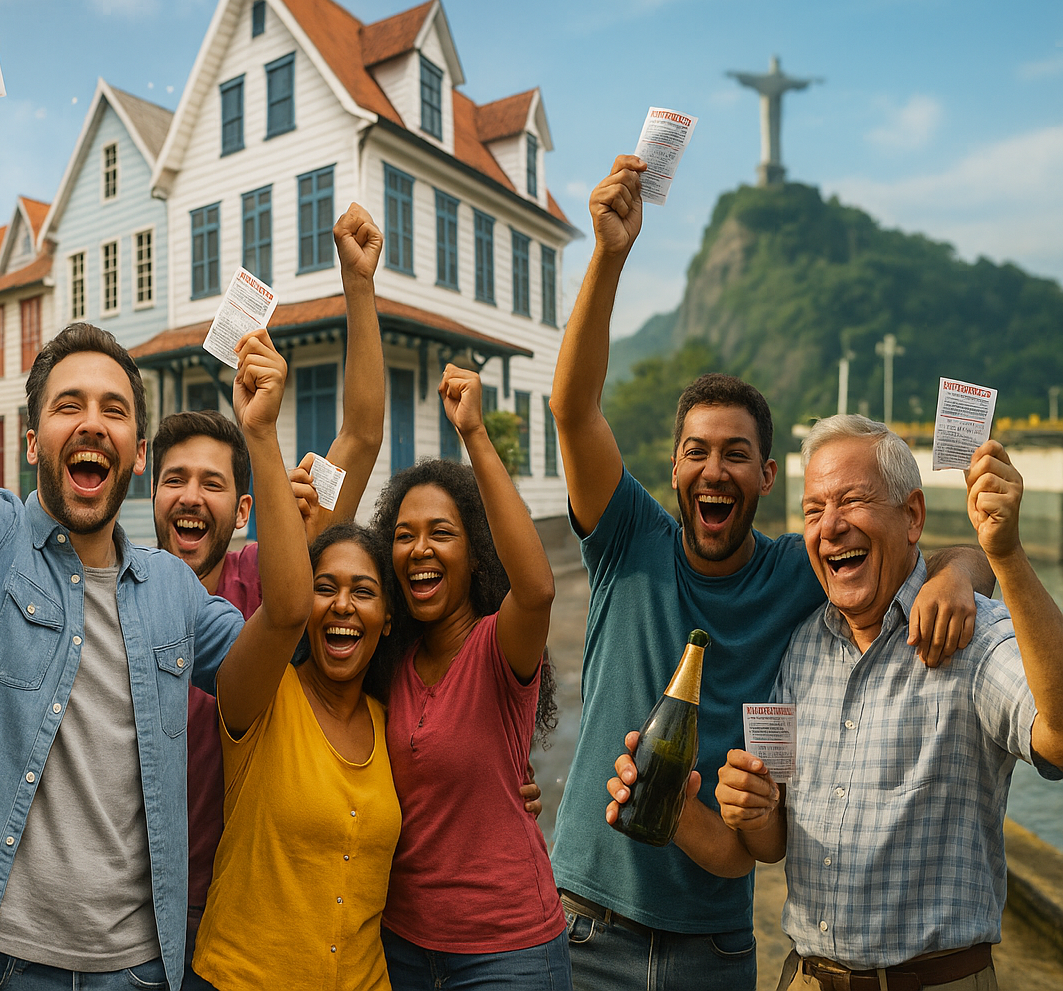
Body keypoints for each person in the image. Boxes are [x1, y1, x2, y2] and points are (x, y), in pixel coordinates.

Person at [0, 60, 311, 991]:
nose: (92, 422)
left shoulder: (174, 594)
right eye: (69, 405)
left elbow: (283, 625)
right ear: (34, 437)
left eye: (115, 410)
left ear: (137, 451)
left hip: (138, 969)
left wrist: (262, 440)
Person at [547, 155, 993, 991]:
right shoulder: (628, 539)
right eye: (696, 453)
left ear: (765, 478)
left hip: (715, 941)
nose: (713, 471)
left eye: (736, 455)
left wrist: (961, 572)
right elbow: (573, 407)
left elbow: (913, 554)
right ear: (672, 470)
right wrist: (609, 256)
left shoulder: (804, 566)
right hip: (585, 922)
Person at [610, 420, 1062, 991]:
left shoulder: (969, 638)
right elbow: (773, 844)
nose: (831, 526)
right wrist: (750, 806)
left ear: (913, 516)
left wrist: (1005, 557)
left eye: (853, 500)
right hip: (805, 978)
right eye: (814, 509)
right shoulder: (801, 650)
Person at [154, 200, 385, 956]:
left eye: (212, 484)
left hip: (241, 909)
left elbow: (360, 435)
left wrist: (358, 287)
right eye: (174, 480)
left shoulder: (272, 576)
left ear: (246, 505)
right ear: (149, 496)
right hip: (139, 911)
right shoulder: (121, 590)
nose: (191, 497)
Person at [373, 365, 569, 990]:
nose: (420, 549)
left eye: (441, 534)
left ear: (475, 553)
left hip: (506, 953)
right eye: (403, 536)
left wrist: (476, 435)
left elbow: (537, 589)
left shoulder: (496, 648)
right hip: (403, 947)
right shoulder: (389, 665)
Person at [192, 524, 406, 990]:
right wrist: (265, 449)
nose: (342, 604)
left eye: (363, 591)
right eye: (324, 588)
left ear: (388, 617)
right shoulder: (265, 693)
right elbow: (279, 614)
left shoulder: (393, 721)